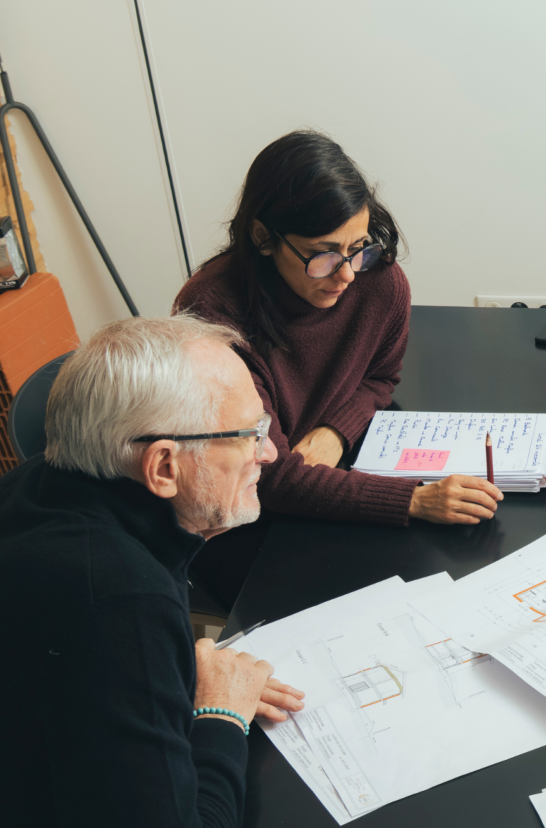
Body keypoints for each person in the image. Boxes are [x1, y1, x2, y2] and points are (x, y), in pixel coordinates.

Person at [0, 315, 305, 828]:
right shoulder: (112, 599)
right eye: (249, 435)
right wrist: (219, 715)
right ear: (164, 465)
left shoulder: (28, 491)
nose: (268, 455)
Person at [174, 130, 502, 610]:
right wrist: (415, 500)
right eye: (324, 254)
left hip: (326, 480)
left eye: (358, 247)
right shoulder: (211, 316)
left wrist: (335, 431)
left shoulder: (378, 282)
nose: (347, 273)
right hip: (242, 519)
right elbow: (269, 476)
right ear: (264, 237)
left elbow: (380, 378)